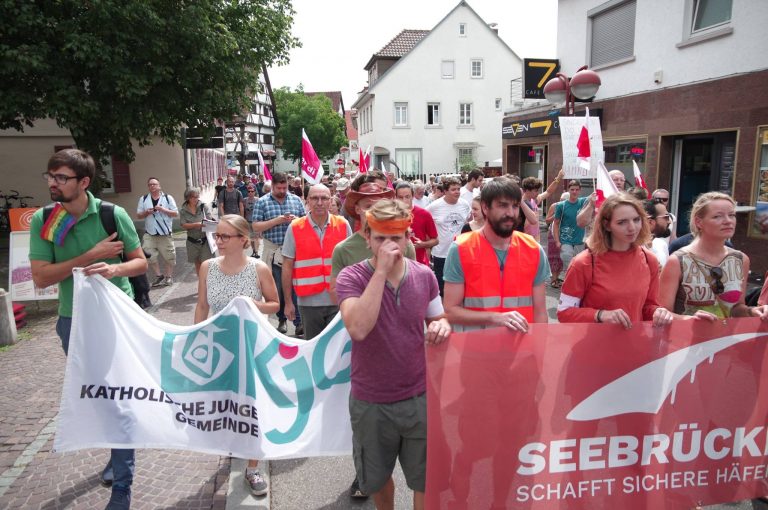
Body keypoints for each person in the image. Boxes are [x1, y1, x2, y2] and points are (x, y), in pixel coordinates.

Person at [30, 149, 148, 510]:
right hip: (72, 319)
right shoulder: (44, 219)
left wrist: (114, 269)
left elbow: (140, 263)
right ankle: (118, 451)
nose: (53, 183)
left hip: (116, 316)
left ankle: (122, 488)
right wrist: (91, 256)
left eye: (61, 178)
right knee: (100, 397)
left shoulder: (114, 214)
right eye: (50, 176)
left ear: (83, 182)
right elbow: (40, 277)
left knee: (120, 398)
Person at [336, 199, 451, 510]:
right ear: (367, 237)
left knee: (425, 477)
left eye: (396, 237)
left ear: (407, 237)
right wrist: (381, 272)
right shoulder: (351, 277)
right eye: (380, 238)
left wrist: (442, 327)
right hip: (371, 400)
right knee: (376, 478)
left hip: (419, 396)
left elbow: (438, 318)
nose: (389, 245)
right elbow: (358, 328)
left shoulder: (424, 276)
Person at [330, 181, 417, 500]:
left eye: (379, 201)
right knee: (368, 421)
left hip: (403, 360)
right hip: (359, 335)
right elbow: (340, 295)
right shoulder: (344, 251)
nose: (372, 208)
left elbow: (411, 286)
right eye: (366, 204)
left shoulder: (404, 245)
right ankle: (365, 473)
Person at [194, 215, 280, 497]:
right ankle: (235, 446)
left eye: (224, 236)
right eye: (216, 236)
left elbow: (274, 305)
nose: (217, 241)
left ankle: (253, 468)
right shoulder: (207, 267)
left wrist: (252, 304)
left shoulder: (259, 268)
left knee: (252, 407)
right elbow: (203, 305)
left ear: (243, 239)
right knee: (226, 405)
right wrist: (195, 338)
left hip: (252, 346)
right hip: (219, 348)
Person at [444, 178, 551, 331]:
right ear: (485, 208)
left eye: (515, 206)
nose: (511, 213)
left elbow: (540, 312)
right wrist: (495, 318)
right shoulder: (461, 248)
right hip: (476, 350)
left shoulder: (533, 249)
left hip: (521, 349)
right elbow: (451, 311)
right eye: (502, 205)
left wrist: (539, 349)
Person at [557, 193, 674, 328]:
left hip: (634, 345)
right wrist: (599, 315)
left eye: (636, 220)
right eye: (622, 222)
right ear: (607, 225)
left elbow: (648, 306)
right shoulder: (583, 262)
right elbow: (564, 312)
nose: (632, 227)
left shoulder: (650, 260)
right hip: (593, 346)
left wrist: (658, 312)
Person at [659, 192, 768, 321]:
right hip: (687, 339)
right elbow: (662, 313)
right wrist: (688, 319)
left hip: (726, 339)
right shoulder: (678, 261)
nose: (728, 221)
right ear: (699, 222)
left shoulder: (741, 259)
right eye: (717, 216)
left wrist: (752, 311)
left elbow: (736, 307)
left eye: (732, 215)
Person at [281, 184, 351, 339]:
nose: (319, 202)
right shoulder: (295, 227)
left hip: (338, 300)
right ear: (307, 200)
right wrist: (288, 302)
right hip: (308, 303)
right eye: (314, 198)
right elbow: (287, 266)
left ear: (330, 200)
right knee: (314, 352)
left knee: (337, 352)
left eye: (324, 198)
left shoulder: (342, 224)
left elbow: (351, 264)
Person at [252, 172, 306, 335]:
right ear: (272, 185)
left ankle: (298, 322)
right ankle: (281, 319)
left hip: (295, 251)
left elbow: (305, 223)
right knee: (279, 288)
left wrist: (297, 220)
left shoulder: (296, 200)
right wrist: (278, 220)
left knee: (296, 286)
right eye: (279, 188)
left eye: (284, 187)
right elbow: (255, 227)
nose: (282, 190)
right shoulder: (262, 202)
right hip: (275, 251)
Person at [427, 177, 471, 295]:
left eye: (458, 189)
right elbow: (425, 221)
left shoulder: (465, 204)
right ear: (445, 191)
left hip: (460, 251)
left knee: (461, 285)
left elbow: (469, 223)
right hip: (441, 253)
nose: (457, 191)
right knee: (442, 288)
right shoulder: (434, 206)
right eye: (453, 189)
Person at [137, 177, 178, 287]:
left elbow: (175, 213)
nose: (152, 186)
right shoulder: (144, 199)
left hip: (165, 233)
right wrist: (147, 212)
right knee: (149, 255)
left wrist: (163, 210)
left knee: (169, 256)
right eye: (150, 184)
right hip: (150, 233)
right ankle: (159, 276)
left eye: (154, 184)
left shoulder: (168, 198)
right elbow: (139, 215)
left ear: (159, 186)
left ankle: (168, 277)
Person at [395, 181, 438, 266]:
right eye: (400, 197)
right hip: (396, 266)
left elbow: (435, 240)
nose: (404, 200)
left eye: (407, 197)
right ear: (395, 197)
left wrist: (423, 244)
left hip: (419, 264)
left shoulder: (424, 214)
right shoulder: (390, 215)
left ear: (413, 196)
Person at [553, 180, 588, 274]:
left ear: (580, 191)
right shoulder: (561, 205)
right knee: (568, 261)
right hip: (565, 240)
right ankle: (569, 283)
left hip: (580, 240)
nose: (574, 192)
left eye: (577, 189)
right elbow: (556, 224)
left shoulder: (583, 202)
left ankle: (574, 283)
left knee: (578, 265)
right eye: (572, 189)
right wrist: (557, 241)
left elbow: (595, 196)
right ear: (568, 190)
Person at [520, 169, 565, 241]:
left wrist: (558, 178)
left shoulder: (534, 200)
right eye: (536, 191)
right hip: (525, 240)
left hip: (536, 238)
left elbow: (548, 192)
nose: (538, 193)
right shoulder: (520, 205)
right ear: (527, 191)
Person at [179, 188, 213, 276]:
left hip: (205, 240)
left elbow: (210, 220)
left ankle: (209, 285)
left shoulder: (203, 206)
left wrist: (206, 222)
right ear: (188, 198)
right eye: (193, 197)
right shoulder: (183, 210)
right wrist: (196, 224)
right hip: (192, 242)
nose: (195, 199)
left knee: (207, 264)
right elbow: (183, 225)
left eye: (197, 196)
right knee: (198, 264)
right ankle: (201, 284)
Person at [643, 199, 672, 268]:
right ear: (650, 222)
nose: (669, 222)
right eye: (666, 217)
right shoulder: (633, 248)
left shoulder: (662, 245)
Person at [244, 185, 261, 257]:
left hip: (256, 221)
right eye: (249, 191)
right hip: (248, 221)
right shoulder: (245, 200)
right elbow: (243, 210)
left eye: (252, 191)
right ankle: (253, 251)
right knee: (251, 237)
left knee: (256, 237)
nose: (250, 193)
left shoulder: (258, 200)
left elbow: (261, 210)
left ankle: (256, 252)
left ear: (254, 192)